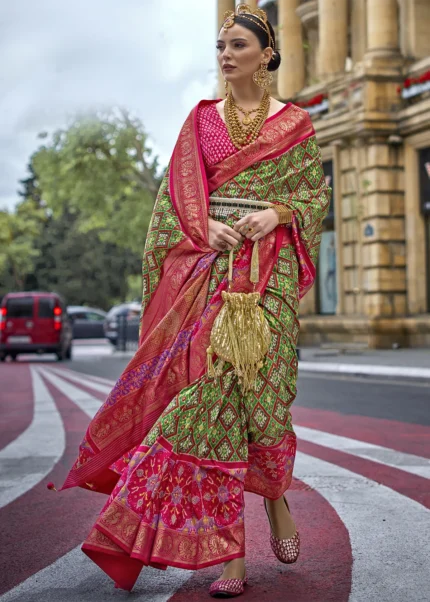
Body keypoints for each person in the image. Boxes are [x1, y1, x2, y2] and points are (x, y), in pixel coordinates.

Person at [56, 4, 331, 598]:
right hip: (211, 276)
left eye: (237, 45)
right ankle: (231, 555)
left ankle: (277, 497)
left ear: (267, 55)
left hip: (270, 278)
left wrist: (276, 212)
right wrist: (205, 228)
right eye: (220, 45)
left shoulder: (298, 123)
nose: (226, 54)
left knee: (260, 397)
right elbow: (174, 203)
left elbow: (313, 197)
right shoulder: (202, 120)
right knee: (210, 402)